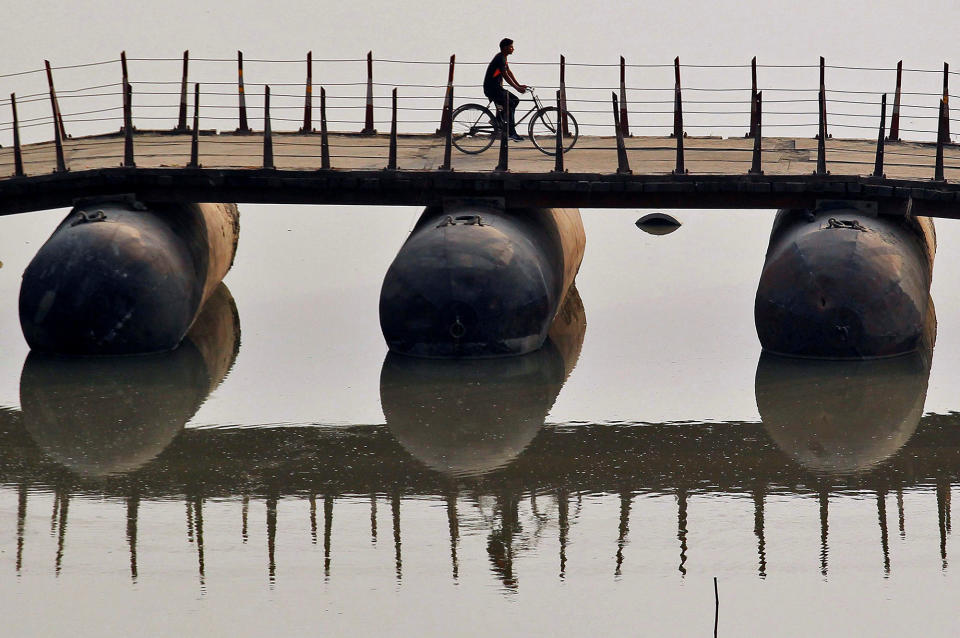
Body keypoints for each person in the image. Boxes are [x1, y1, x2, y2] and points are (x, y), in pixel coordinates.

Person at [483, 38, 528, 141]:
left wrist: (519, 85)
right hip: (492, 89)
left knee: (515, 100)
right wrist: (517, 88)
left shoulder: (503, 57)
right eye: (511, 47)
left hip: (497, 88)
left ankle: (497, 120)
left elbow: (509, 72)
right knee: (510, 104)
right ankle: (511, 133)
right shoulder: (500, 58)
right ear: (505, 48)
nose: (513, 49)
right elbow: (505, 75)